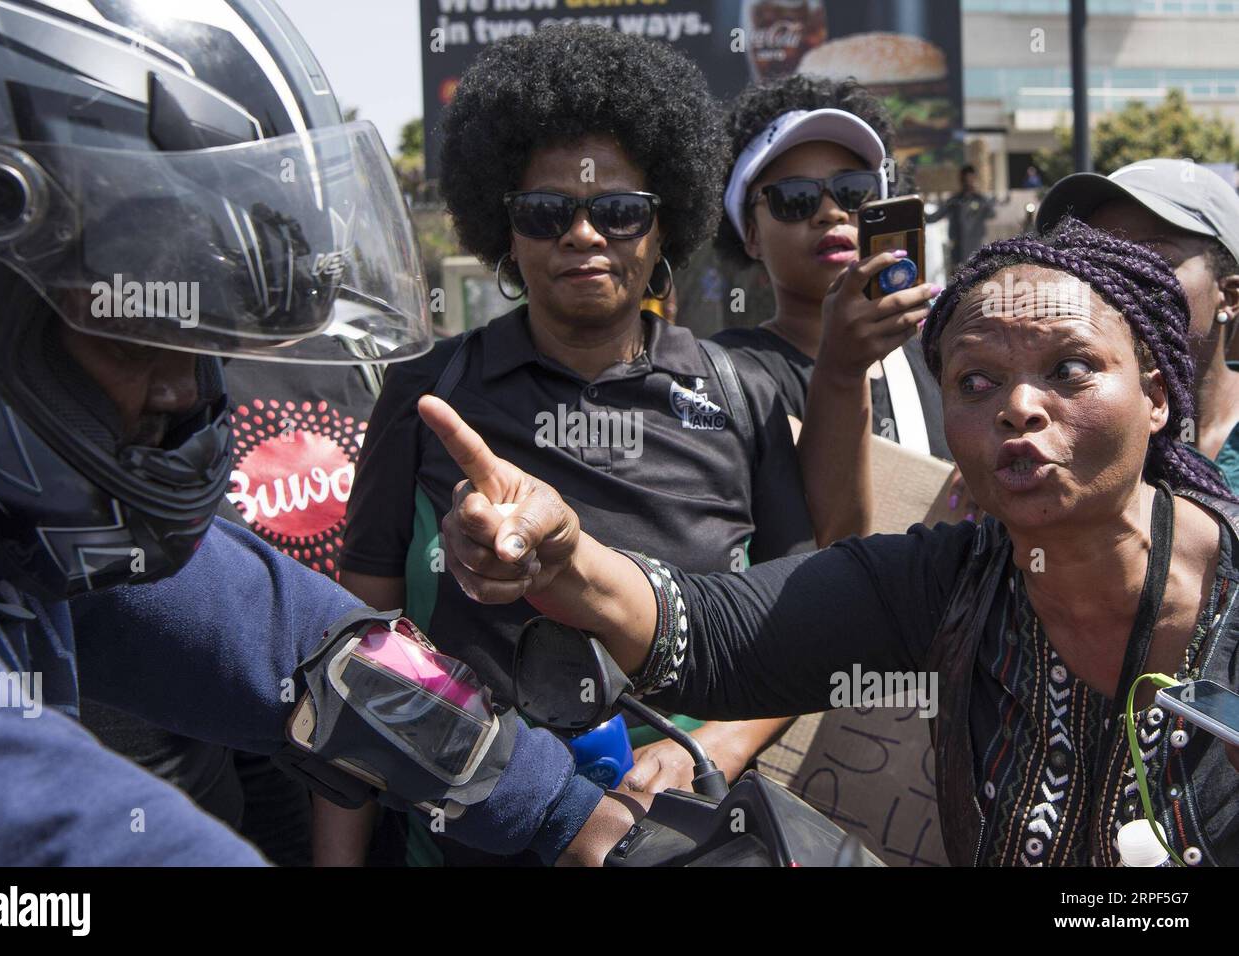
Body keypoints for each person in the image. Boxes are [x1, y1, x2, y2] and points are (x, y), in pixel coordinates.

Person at [0, 0, 637, 865]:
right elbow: (50, 832)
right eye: (131, 333)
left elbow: (290, 640)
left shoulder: (6, 530)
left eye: (203, 346)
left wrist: (570, 814)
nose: (182, 392)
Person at [424, 217, 1239, 866]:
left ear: (1158, 396)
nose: (1019, 406)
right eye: (977, 382)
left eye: (1070, 369)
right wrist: (565, 559)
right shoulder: (946, 583)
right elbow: (711, 634)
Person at [333, 25, 823, 866]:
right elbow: (356, 645)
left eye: (621, 210)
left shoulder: (742, 394)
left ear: (665, 223)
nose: (584, 234)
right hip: (465, 837)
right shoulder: (429, 391)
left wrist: (717, 748)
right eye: (548, 211)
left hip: (683, 834)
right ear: (508, 232)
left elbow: (805, 626)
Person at [711, 76, 948, 466]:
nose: (831, 212)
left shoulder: (939, 360)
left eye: (854, 191)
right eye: (795, 197)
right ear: (750, 236)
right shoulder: (724, 375)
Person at [1038, 160, 1239, 490]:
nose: (1114, 282)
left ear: (1229, 296)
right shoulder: (1042, 434)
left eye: (1152, 260)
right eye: (1094, 261)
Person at [928, 164, 998, 271]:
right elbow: (933, 218)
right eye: (965, 178)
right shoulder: (954, 201)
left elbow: (992, 214)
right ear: (961, 179)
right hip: (958, 254)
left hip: (977, 252)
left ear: (975, 178)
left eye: (971, 178)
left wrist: (984, 200)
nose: (968, 181)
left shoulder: (981, 200)